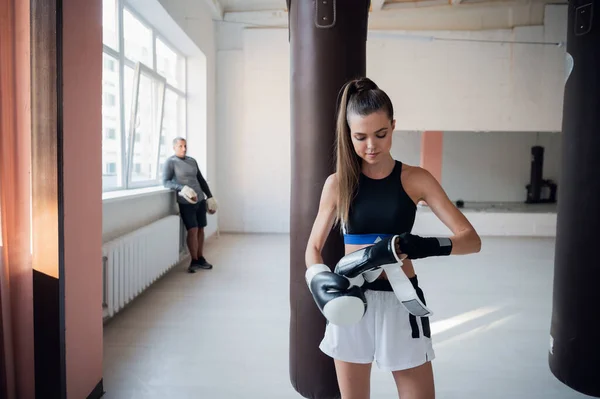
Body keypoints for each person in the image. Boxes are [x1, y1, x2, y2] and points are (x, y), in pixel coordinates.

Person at [304, 77, 481, 399]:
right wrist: (319, 280)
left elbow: (471, 240)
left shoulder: (416, 179)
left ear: (393, 126)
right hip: (351, 301)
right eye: (360, 137)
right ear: (348, 134)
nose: (371, 145)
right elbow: (313, 248)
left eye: (380, 134)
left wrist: (426, 246)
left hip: (402, 302)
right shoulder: (338, 183)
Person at [163, 137, 218, 273]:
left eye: (185, 146)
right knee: (192, 230)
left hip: (199, 199)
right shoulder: (171, 162)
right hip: (186, 202)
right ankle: (193, 260)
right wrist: (181, 188)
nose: (184, 149)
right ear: (174, 147)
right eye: (181, 146)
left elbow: (200, 179)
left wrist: (209, 196)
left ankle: (200, 258)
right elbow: (166, 182)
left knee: (200, 229)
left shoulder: (192, 161)